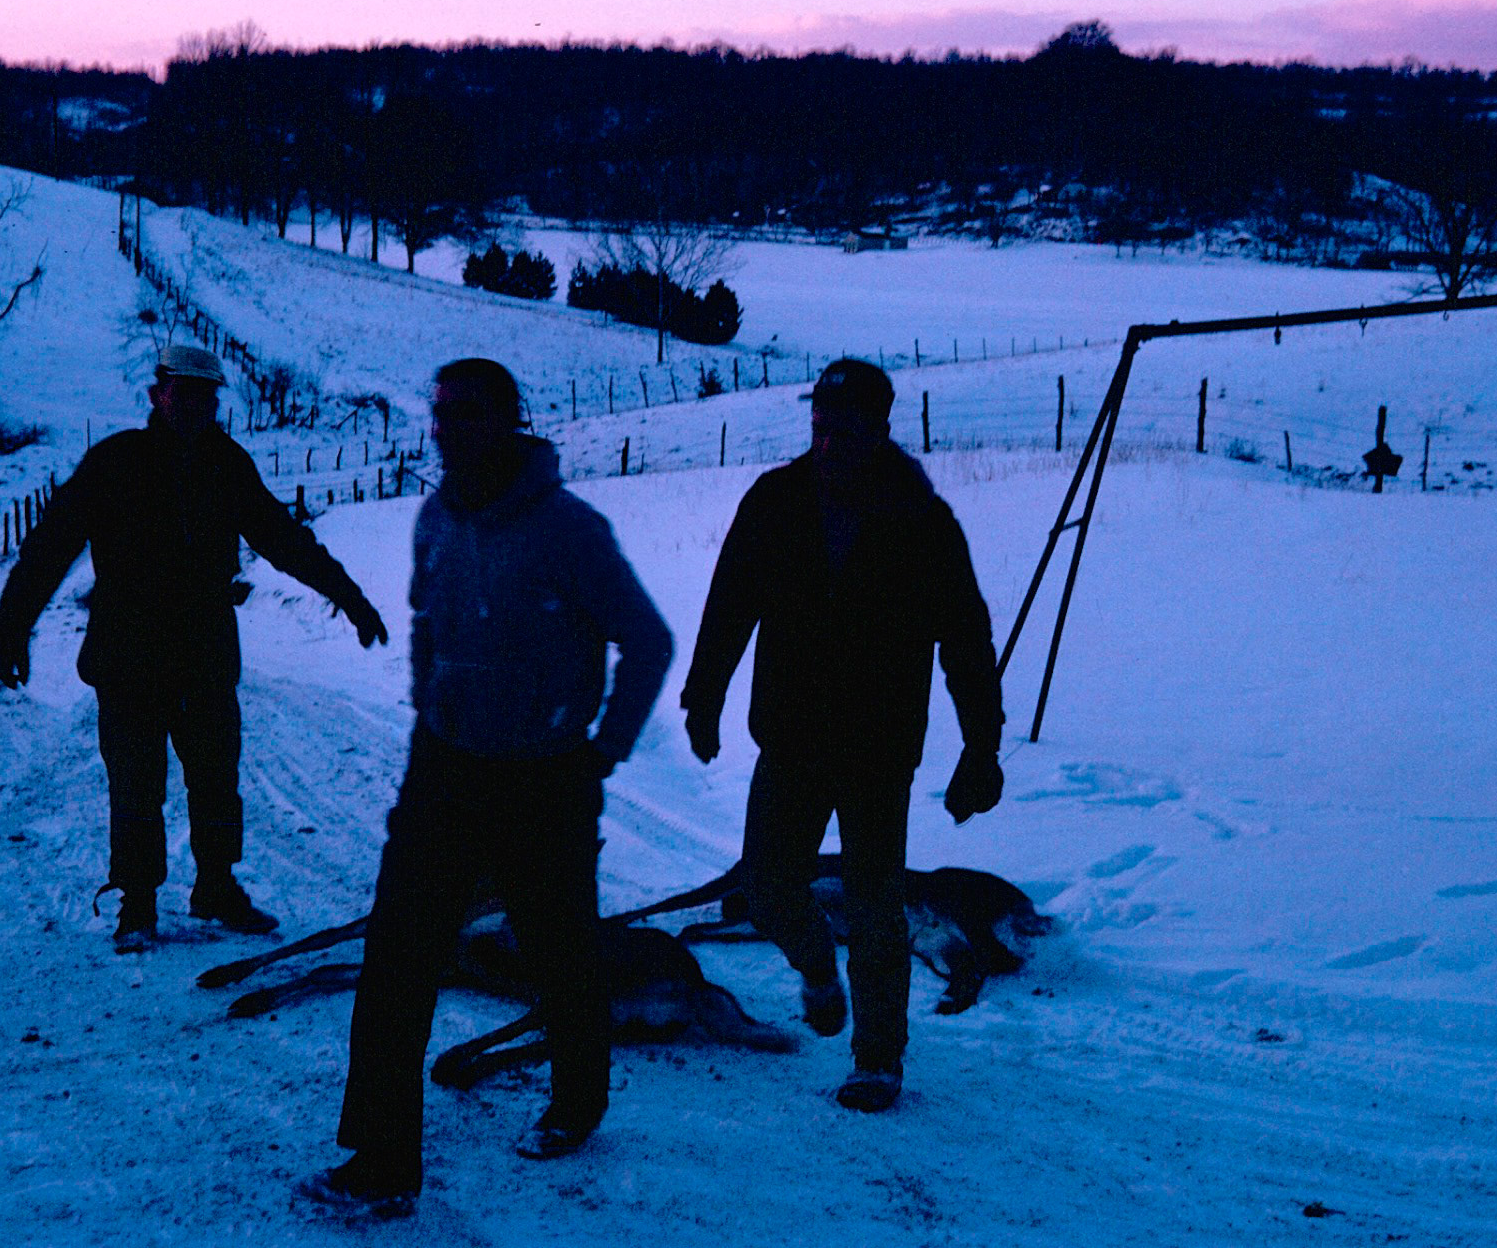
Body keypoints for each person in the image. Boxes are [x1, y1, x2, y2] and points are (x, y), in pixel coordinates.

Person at [307, 358, 673, 1219]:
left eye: (467, 414)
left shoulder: (569, 530)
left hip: (546, 779)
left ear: (508, 421)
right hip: (444, 769)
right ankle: (383, 1155)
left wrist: (601, 750)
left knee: (559, 950)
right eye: (439, 414)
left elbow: (647, 640)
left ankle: (579, 1098)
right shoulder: (433, 519)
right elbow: (426, 625)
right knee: (398, 953)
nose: (448, 429)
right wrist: (430, 705)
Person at [679, 358, 1006, 1114]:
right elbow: (729, 603)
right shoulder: (776, 501)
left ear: (880, 428)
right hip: (790, 738)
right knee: (763, 888)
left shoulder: (923, 521)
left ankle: (877, 1056)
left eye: (844, 428)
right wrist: (705, 699)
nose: (827, 442)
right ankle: (816, 963)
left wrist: (980, 745)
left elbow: (966, 640)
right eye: (819, 427)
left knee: (876, 907)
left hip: (876, 749)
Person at [0, 345, 387, 951]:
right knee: (136, 784)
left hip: (203, 655)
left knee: (216, 779)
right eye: (186, 391)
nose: (198, 404)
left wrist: (348, 596)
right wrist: (12, 627)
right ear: (157, 394)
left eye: (208, 394)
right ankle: (138, 904)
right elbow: (51, 546)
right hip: (128, 657)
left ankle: (217, 887)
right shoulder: (115, 462)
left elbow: (282, 538)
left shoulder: (227, 464)